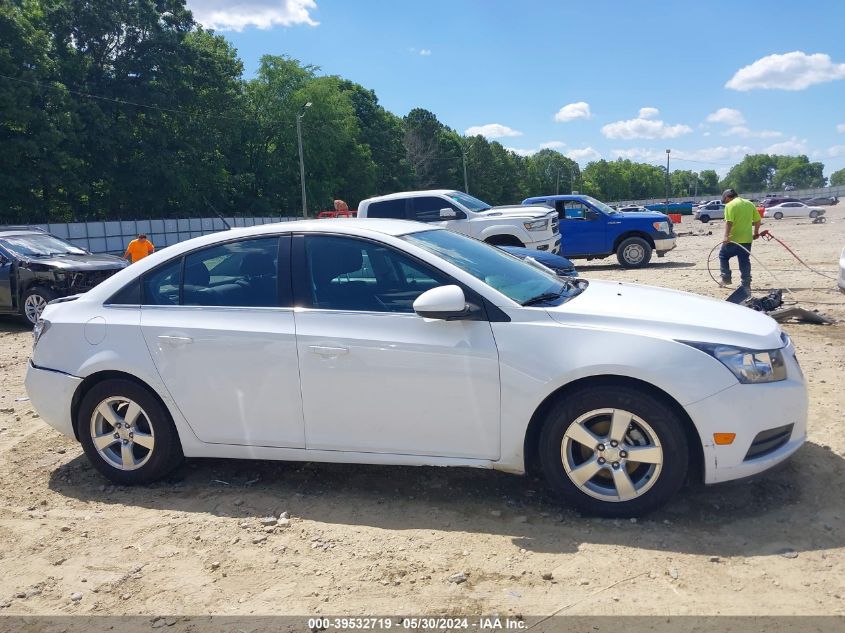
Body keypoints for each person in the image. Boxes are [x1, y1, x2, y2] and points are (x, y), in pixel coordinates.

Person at [719, 188, 761, 288]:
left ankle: (726, 278)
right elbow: (758, 220)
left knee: (723, 256)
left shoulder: (730, 205)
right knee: (744, 260)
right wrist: (756, 233)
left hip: (733, 240)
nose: (725, 203)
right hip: (747, 239)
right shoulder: (749, 204)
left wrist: (726, 236)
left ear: (728, 197)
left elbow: (729, 222)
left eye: (725, 201)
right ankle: (746, 284)